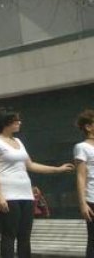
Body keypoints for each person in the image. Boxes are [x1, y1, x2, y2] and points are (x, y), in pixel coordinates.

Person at [0, 107, 73, 258]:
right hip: (9, 195)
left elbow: (30, 165)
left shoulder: (18, 141)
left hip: (26, 194)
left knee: (24, 235)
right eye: (15, 120)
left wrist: (57, 169)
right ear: (6, 123)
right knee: (9, 235)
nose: (19, 122)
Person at [72, 109, 94, 258]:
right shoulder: (82, 147)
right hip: (92, 197)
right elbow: (81, 176)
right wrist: (82, 203)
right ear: (88, 127)